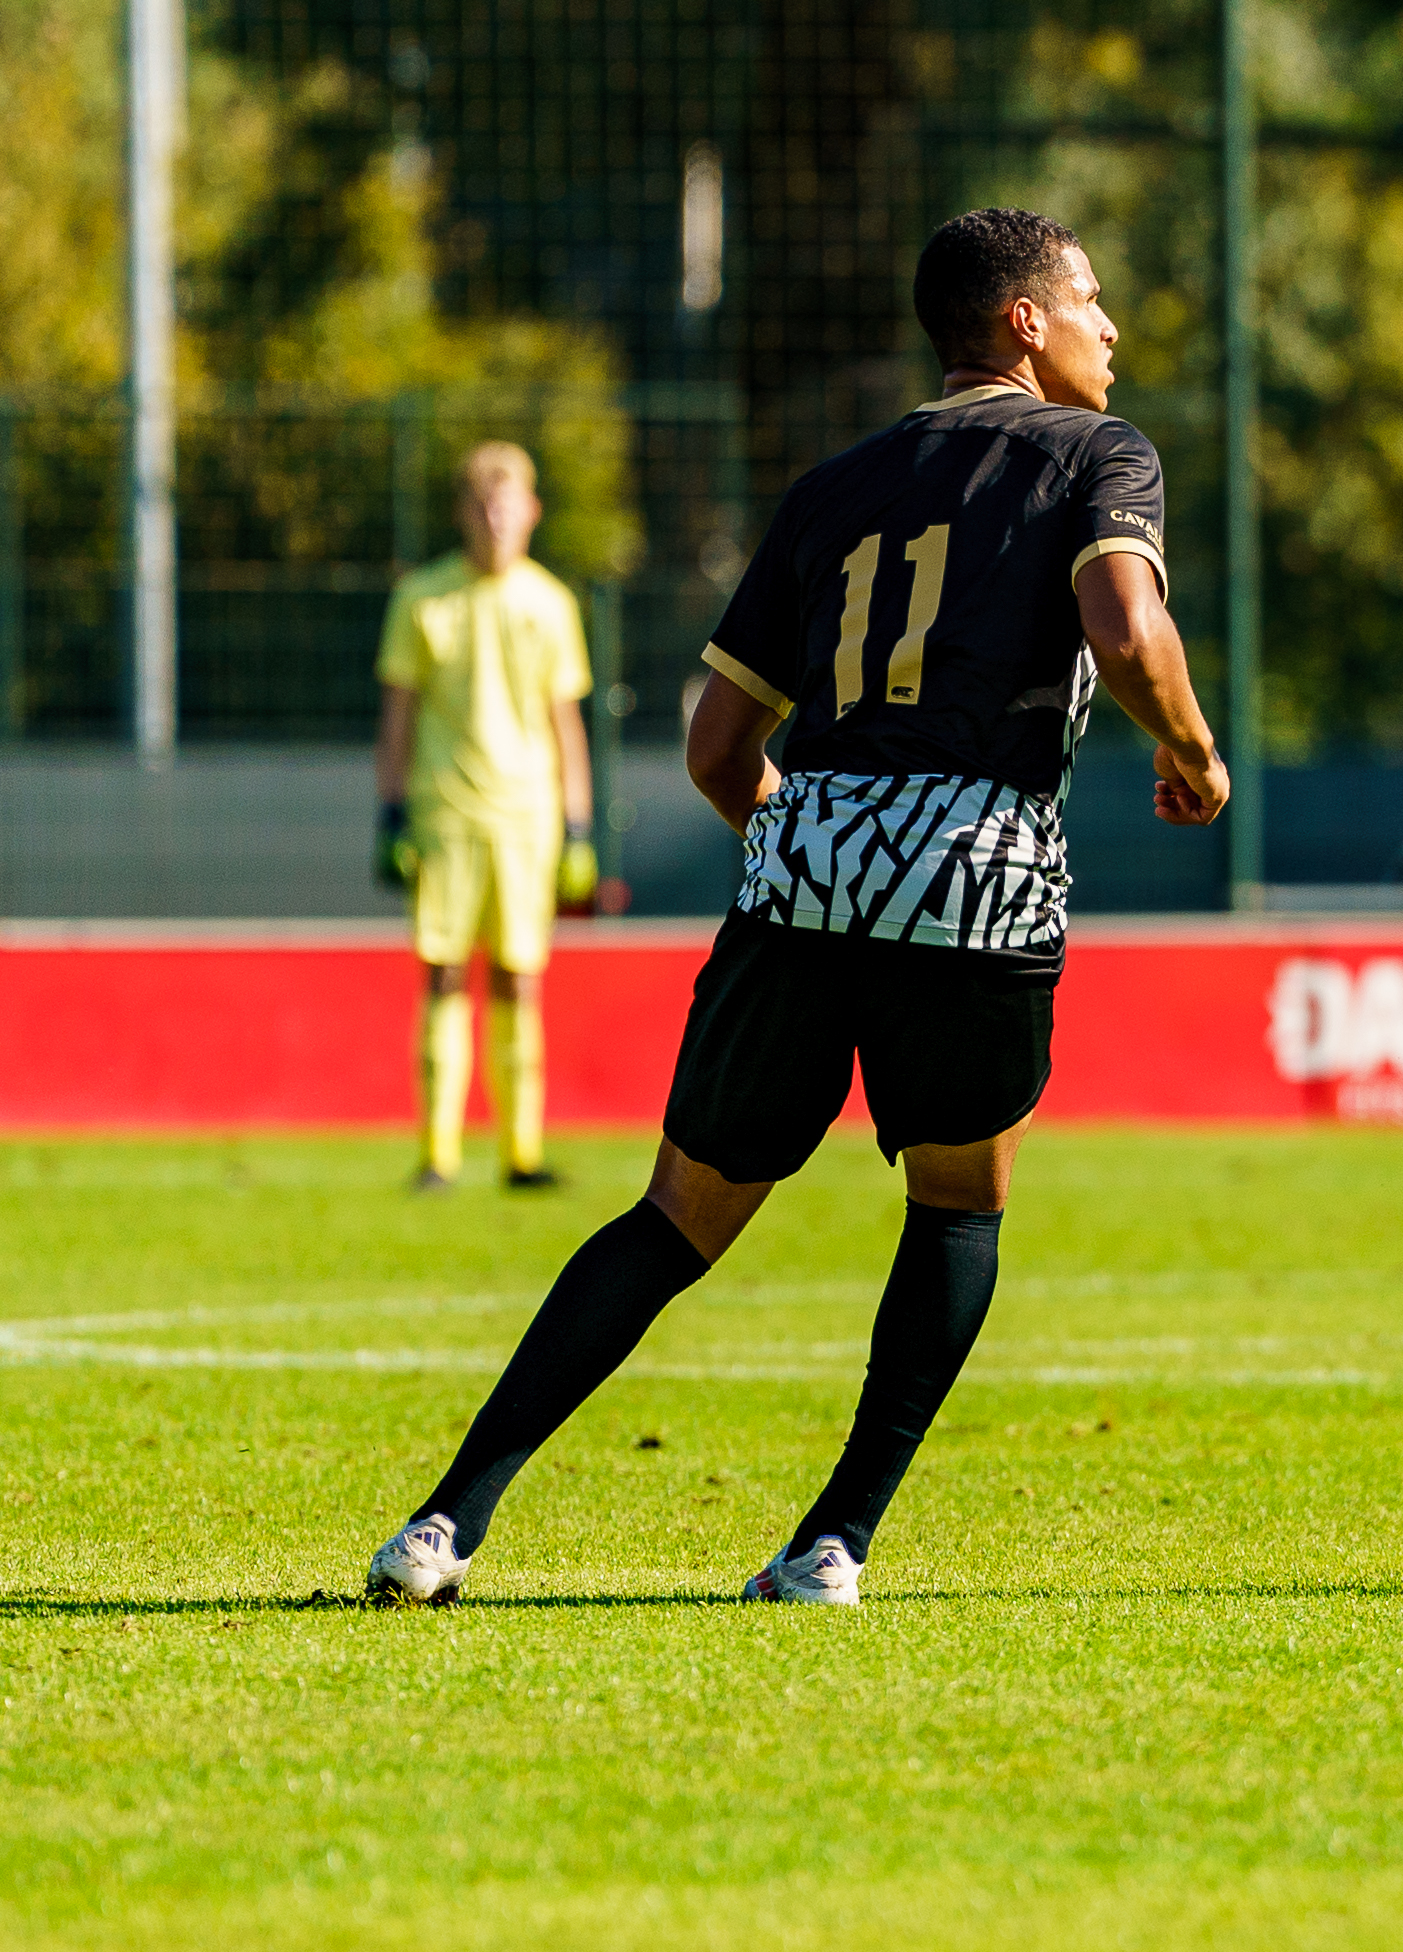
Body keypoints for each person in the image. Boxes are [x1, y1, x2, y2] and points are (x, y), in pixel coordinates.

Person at [363, 209, 1228, 1609]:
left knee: (673, 1218)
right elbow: (1127, 633)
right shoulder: (1098, 455)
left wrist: (813, 847)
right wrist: (1193, 755)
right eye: (1089, 298)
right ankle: (833, 1541)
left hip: (804, 861)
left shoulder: (834, 485)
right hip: (976, 867)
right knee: (958, 1204)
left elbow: (718, 747)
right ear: (1022, 319)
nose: (1110, 328)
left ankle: (442, 1525)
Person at [372, 441, 599, 1195]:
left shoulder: (550, 604)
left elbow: (567, 724)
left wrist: (576, 829)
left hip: (526, 820)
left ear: (531, 512)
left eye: (508, 503)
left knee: (518, 979)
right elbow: (397, 717)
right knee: (440, 975)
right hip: (445, 815)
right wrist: (391, 813)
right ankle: (437, 1153)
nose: (495, 518)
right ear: (463, 513)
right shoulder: (422, 599)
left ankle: (520, 1153)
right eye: (481, 504)